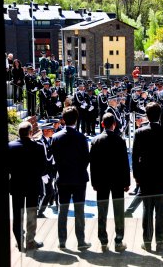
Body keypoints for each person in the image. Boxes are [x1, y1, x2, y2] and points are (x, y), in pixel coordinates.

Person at [132, 102, 163, 252]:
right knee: (161, 210)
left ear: (147, 115)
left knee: (147, 208)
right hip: (162, 176)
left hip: (145, 176)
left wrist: (136, 176)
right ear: (160, 115)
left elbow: (135, 156)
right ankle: (160, 241)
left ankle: (147, 241)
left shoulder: (140, 132)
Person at [51, 106, 91, 250]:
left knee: (63, 210)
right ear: (76, 119)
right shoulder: (81, 137)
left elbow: (54, 157)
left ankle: (62, 241)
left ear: (63, 119)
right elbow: (86, 159)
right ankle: (81, 241)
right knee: (79, 210)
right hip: (79, 177)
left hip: (63, 177)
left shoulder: (55, 137)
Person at [90, 113, 130, 252]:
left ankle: (103, 240)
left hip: (101, 181)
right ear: (115, 124)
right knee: (119, 211)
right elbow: (125, 164)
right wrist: (127, 182)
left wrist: (93, 182)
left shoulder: (95, 141)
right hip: (118, 181)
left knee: (102, 211)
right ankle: (118, 240)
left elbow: (93, 165)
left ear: (102, 124)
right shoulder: (120, 140)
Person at [8, 121, 45, 251]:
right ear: (30, 133)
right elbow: (43, 168)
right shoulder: (38, 147)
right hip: (32, 185)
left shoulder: (10, 146)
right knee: (31, 214)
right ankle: (30, 241)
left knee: (17, 214)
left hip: (16, 184)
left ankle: (19, 241)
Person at [36, 123, 56, 218]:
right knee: (47, 193)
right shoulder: (40, 143)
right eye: (51, 130)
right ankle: (39, 212)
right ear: (45, 131)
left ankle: (39, 211)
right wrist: (43, 174)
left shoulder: (49, 140)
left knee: (48, 192)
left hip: (49, 171)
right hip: (44, 172)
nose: (53, 131)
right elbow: (42, 159)